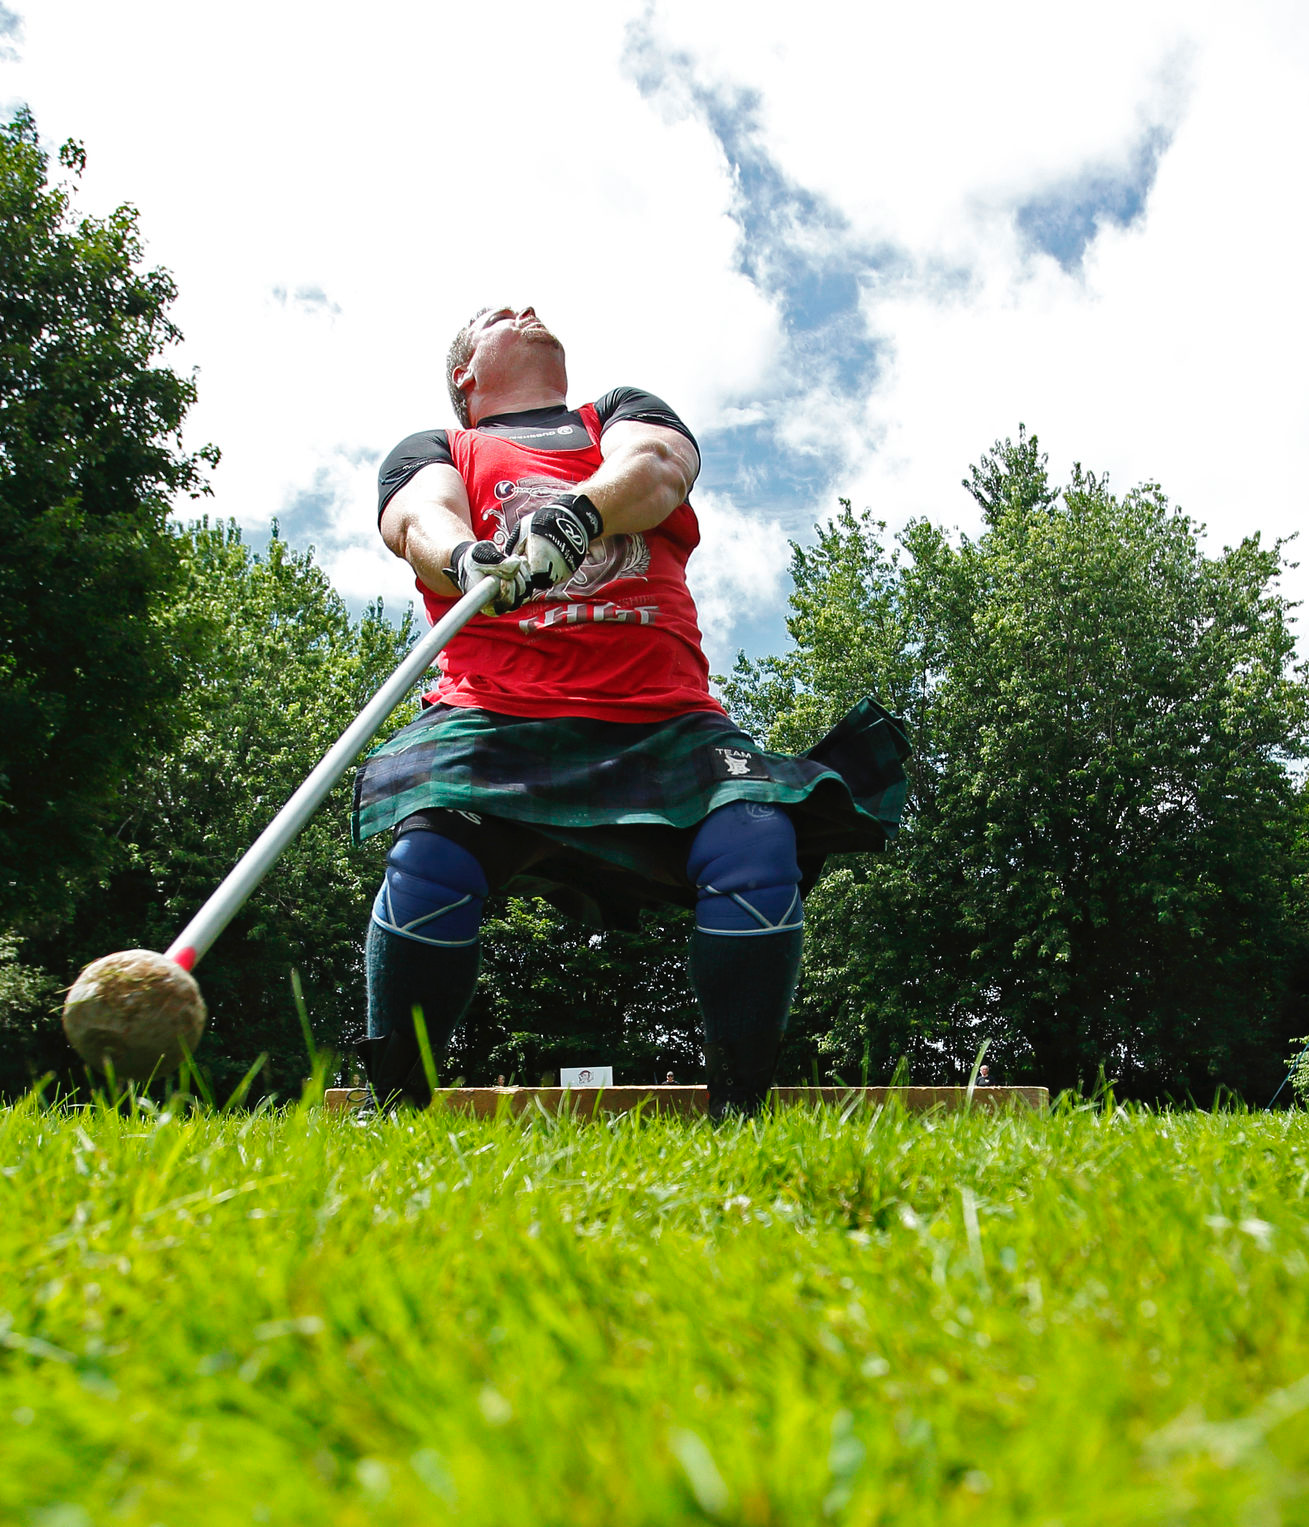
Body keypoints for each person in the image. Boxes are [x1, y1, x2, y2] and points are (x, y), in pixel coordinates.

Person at [352, 305, 907, 1119]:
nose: (526, 309)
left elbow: (656, 471)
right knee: (431, 854)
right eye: (499, 315)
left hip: (665, 717)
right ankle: (394, 1107)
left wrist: (579, 514)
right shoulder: (440, 448)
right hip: (498, 716)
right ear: (465, 375)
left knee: (755, 839)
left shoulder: (615, 414)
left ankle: (741, 1112)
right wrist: (464, 554)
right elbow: (417, 519)